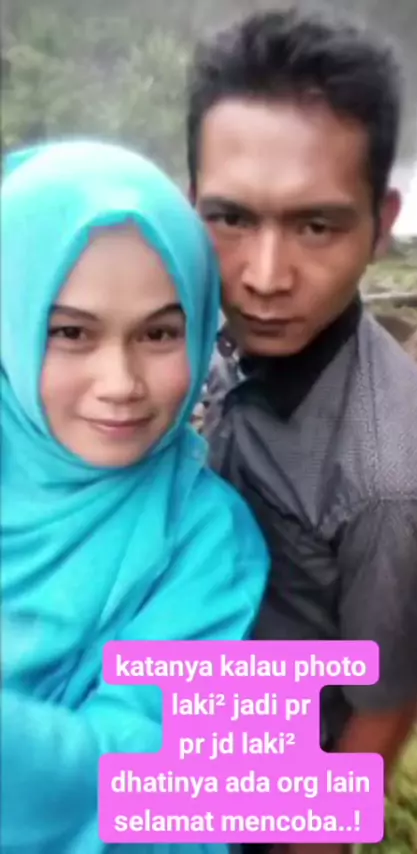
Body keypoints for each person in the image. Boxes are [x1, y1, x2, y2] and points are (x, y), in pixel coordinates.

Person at [186, 9, 417, 853]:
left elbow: (381, 714)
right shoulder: (164, 325)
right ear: (189, 203)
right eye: (231, 219)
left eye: (317, 225)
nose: (266, 277)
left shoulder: (394, 483)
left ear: (382, 224)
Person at [0, 140, 270, 854]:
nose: (120, 383)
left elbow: (160, 779)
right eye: (70, 332)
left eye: (158, 333)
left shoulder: (205, 541)